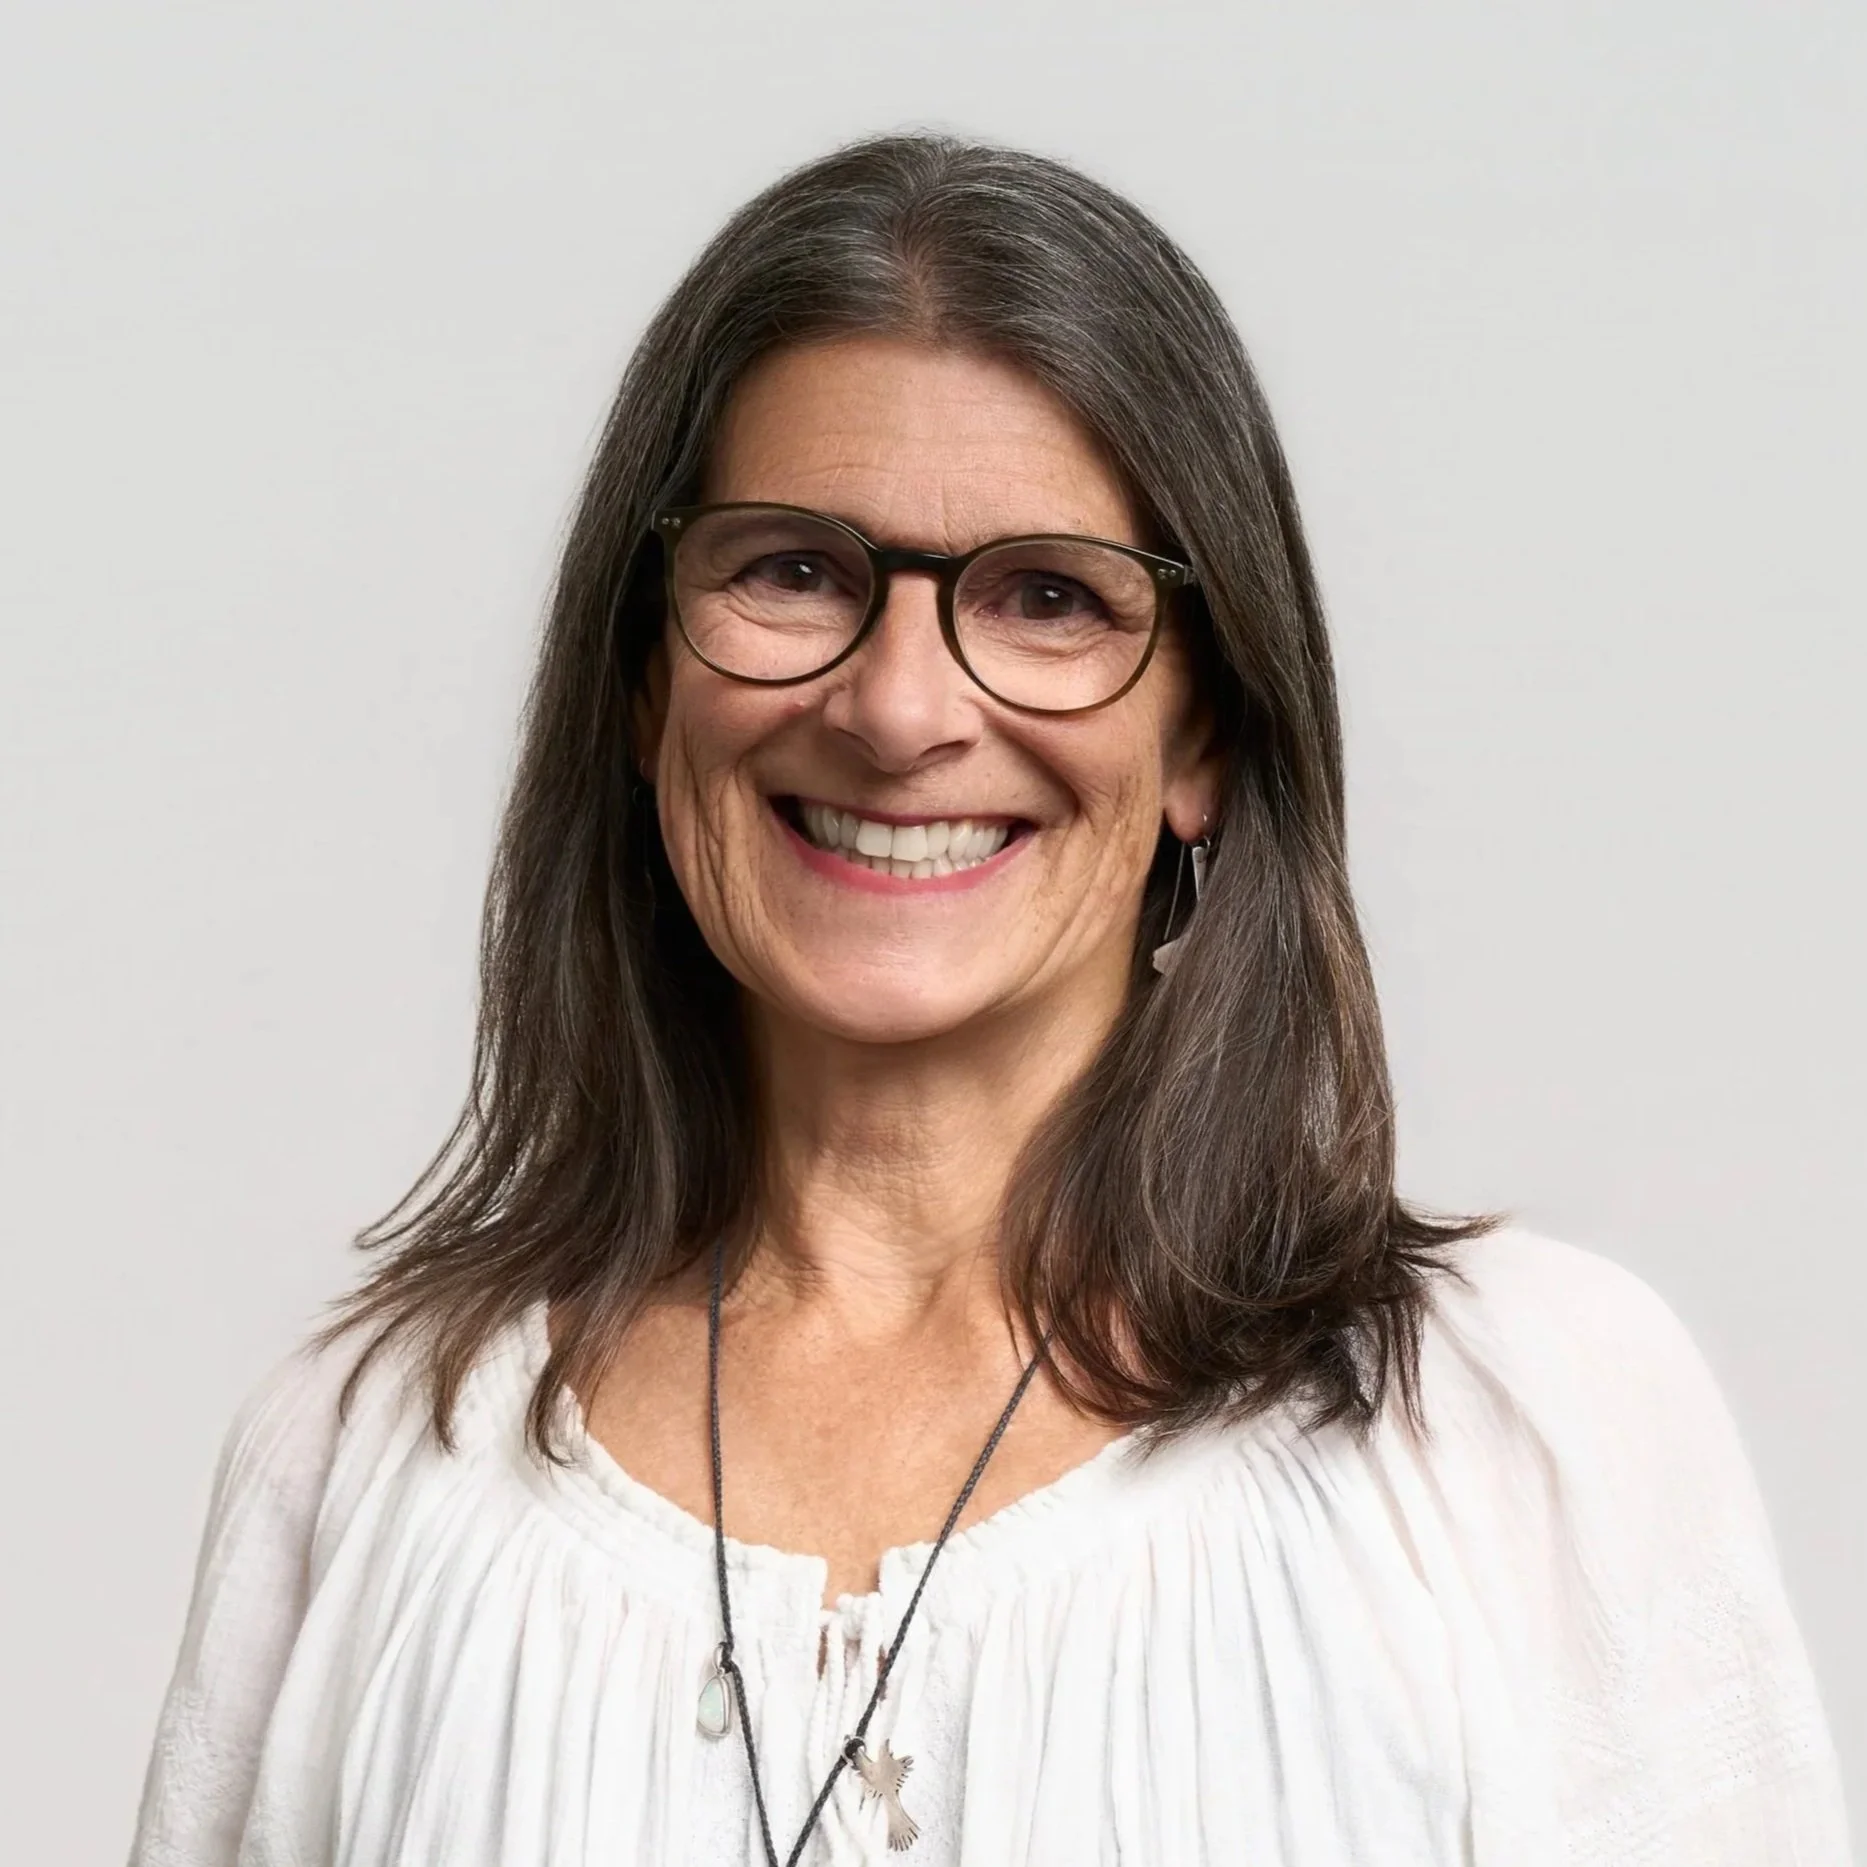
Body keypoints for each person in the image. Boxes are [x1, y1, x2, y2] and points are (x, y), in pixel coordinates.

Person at [127, 133, 1850, 1867]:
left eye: (1045, 598)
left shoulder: (1518, 1424)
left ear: (1203, 733)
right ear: (645, 683)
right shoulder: (366, 1454)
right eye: (792, 568)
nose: (895, 710)